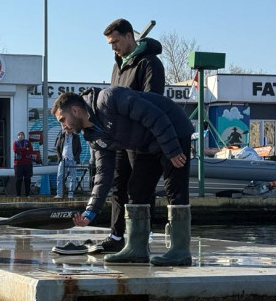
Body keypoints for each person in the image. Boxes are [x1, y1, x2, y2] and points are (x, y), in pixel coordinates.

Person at [50, 86, 194, 266]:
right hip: (147, 144)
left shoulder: (109, 99)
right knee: (136, 189)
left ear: (75, 110)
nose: (63, 126)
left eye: (62, 120)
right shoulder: (93, 137)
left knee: (175, 188)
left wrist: (172, 149)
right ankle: (137, 249)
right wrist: (90, 212)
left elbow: (153, 115)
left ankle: (180, 252)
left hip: (173, 129)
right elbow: (103, 174)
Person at [88, 18, 166, 255]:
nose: (113, 47)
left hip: (142, 139)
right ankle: (116, 235)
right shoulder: (118, 66)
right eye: (110, 44)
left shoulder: (150, 64)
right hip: (120, 138)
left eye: (116, 42)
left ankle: (140, 237)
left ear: (130, 36)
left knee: (140, 188)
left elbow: (153, 101)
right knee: (118, 185)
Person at [54, 127, 81, 198]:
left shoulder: (76, 137)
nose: (70, 130)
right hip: (63, 159)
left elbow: (79, 149)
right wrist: (59, 158)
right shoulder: (61, 136)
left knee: (73, 177)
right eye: (68, 129)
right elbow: (57, 148)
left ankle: (70, 195)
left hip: (72, 159)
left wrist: (75, 157)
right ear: (65, 129)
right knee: (60, 177)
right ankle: (59, 194)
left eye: (71, 129)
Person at [13, 131, 34, 197]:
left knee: (27, 179)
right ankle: (18, 195)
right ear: (17, 136)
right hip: (18, 164)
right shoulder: (15, 143)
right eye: (19, 135)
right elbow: (15, 150)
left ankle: (27, 194)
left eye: (22, 135)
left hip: (27, 163)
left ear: (24, 136)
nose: (20, 136)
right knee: (18, 179)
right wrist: (25, 149)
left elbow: (30, 150)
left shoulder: (28, 142)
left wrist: (21, 150)